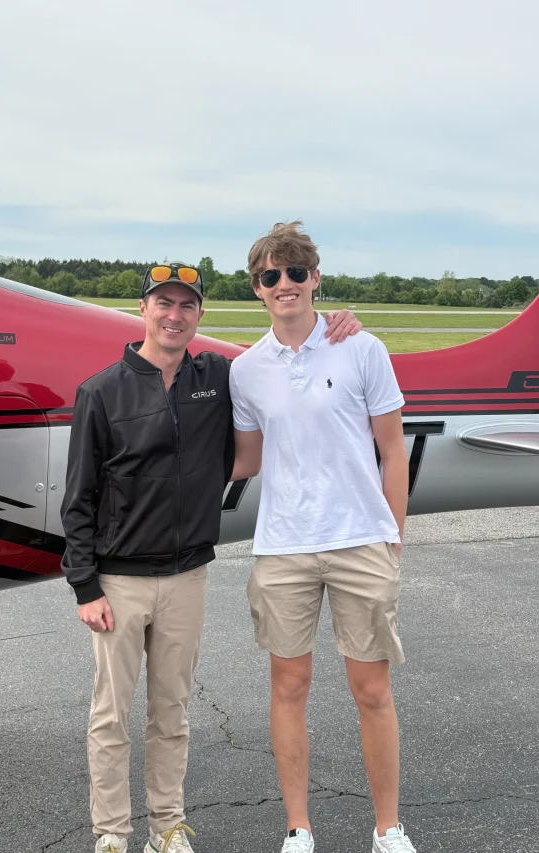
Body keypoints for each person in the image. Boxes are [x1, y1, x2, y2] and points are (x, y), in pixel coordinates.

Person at [60, 261, 361, 853]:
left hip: (187, 575)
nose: (174, 315)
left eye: (186, 306)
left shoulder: (218, 376)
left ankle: (166, 827)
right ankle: (112, 834)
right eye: (163, 304)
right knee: (111, 717)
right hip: (118, 580)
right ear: (142, 309)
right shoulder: (101, 391)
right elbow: (79, 496)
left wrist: (333, 324)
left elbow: (283, 352)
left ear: (199, 315)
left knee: (171, 712)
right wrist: (85, 586)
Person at [229, 222, 415, 853]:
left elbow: (393, 452)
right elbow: (245, 460)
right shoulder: (246, 371)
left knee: (372, 688)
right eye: (270, 276)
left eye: (296, 272)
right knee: (290, 685)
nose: (285, 284)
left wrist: (394, 535)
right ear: (257, 289)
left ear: (315, 278)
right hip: (283, 546)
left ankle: (388, 826)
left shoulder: (362, 348)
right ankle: (298, 827)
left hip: (360, 539)